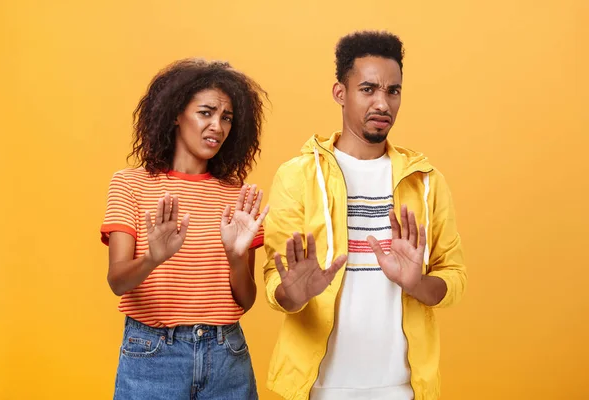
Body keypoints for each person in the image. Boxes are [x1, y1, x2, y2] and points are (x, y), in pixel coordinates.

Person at [263, 31, 467, 400]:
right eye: (368, 89)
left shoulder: (426, 181)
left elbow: (453, 276)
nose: (383, 103)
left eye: (393, 91)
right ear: (340, 93)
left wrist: (415, 284)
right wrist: (295, 294)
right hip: (319, 386)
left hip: (404, 387)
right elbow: (274, 284)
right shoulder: (296, 176)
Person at [100, 58, 268, 400]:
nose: (217, 127)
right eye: (205, 112)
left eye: (226, 117)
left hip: (227, 355)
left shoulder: (238, 195)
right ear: (176, 113)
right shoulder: (130, 185)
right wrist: (152, 258)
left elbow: (246, 300)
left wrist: (236, 256)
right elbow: (117, 281)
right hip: (152, 354)